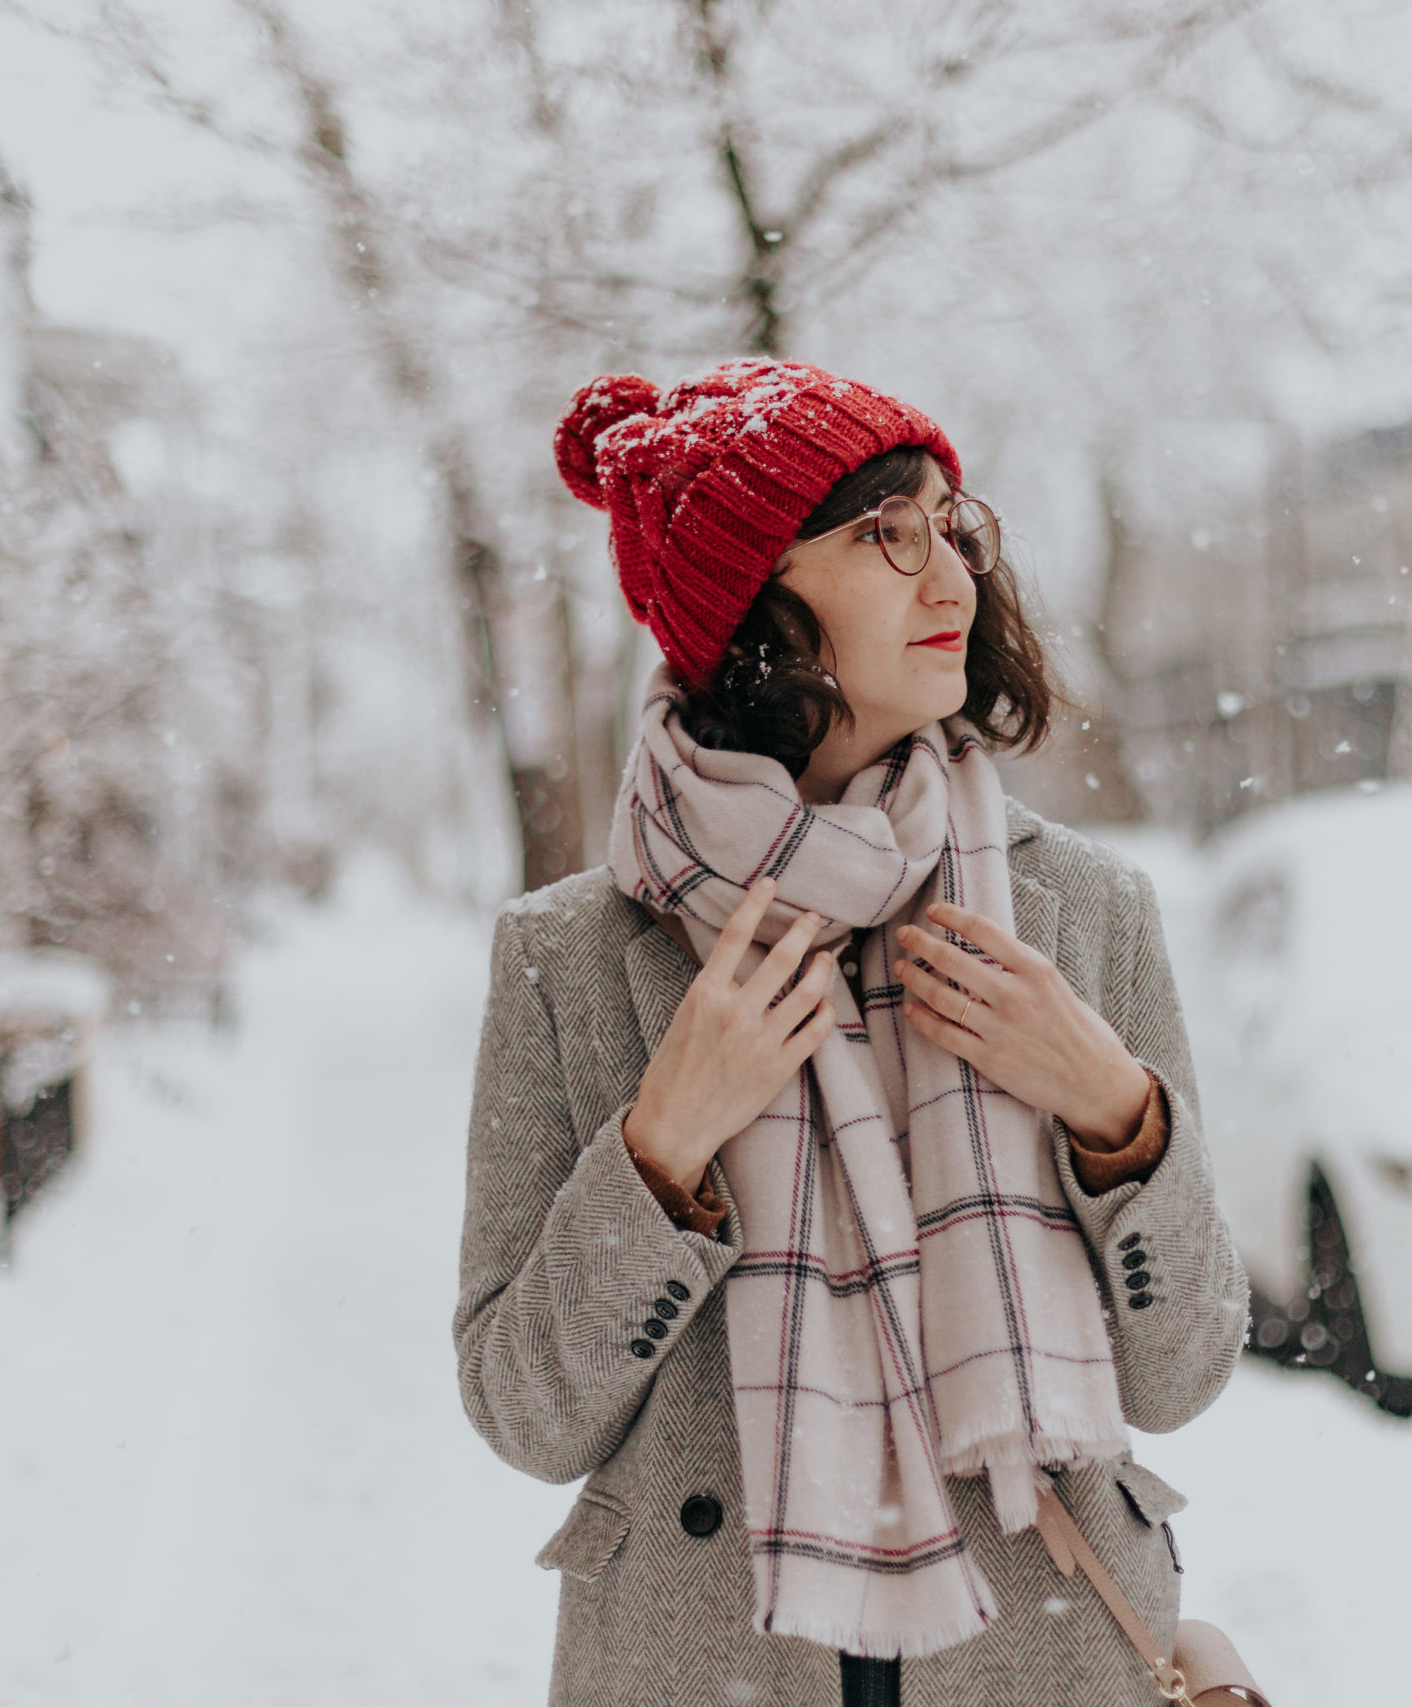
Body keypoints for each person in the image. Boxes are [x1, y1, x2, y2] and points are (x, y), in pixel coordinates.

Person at [453, 359, 1249, 1707]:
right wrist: (663, 1149)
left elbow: (1183, 1373)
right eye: (885, 535)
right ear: (751, 604)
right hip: (709, 1651)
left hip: (1041, 1636)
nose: (952, 582)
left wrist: (1115, 1113)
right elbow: (526, 1415)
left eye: (953, 528)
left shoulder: (1082, 912)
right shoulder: (570, 959)